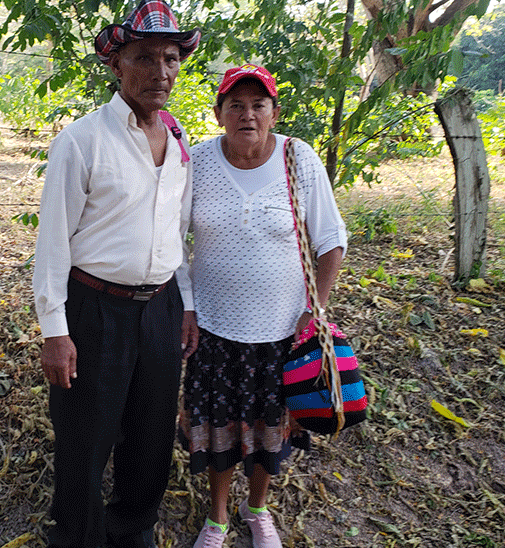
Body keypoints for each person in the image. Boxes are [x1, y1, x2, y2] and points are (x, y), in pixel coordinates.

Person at [31, 1, 201, 547]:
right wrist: (54, 330)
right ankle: (77, 536)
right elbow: (53, 242)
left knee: (151, 434)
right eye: (145, 57)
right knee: (85, 434)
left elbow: (176, 232)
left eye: (171, 58)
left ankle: (133, 530)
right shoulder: (82, 141)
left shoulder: (178, 142)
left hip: (160, 307)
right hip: (94, 308)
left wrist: (187, 304)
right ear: (117, 64)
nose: (161, 71)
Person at [178, 64, 348, 548]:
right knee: (218, 430)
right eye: (236, 105)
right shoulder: (199, 161)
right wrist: (187, 307)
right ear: (218, 114)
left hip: (282, 332)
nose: (247, 115)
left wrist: (313, 309)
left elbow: (331, 241)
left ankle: (257, 511)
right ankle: (216, 520)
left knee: (267, 429)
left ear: (274, 112)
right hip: (213, 327)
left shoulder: (300, 159)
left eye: (258, 105)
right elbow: (173, 239)